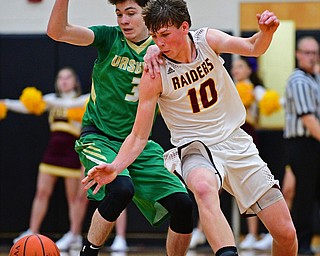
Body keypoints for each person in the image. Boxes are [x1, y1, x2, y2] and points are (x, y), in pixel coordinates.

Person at [82, 0, 298, 255]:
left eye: (164, 35)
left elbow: (253, 46)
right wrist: (116, 167)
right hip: (194, 148)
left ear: (184, 27)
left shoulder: (208, 40)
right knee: (204, 188)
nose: (159, 43)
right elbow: (139, 135)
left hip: (235, 141)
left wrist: (266, 33)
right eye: (154, 37)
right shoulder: (154, 72)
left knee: (285, 234)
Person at [47, 1, 194, 256]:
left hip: (137, 143)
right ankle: (88, 252)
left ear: (146, 15)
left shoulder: (163, 46)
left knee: (183, 204)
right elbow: (57, 32)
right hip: (99, 137)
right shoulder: (108, 37)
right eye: (119, 14)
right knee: (121, 189)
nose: (123, 20)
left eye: (130, 13)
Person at [4, 67, 89, 251]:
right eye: (60, 78)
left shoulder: (83, 100)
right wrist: (6, 103)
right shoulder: (52, 100)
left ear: (75, 81)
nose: (64, 81)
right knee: (42, 193)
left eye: (68, 77)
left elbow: (68, 106)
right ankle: (32, 230)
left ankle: (74, 234)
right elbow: (27, 106)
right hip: (52, 152)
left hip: (72, 152)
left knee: (74, 198)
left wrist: (53, 102)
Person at [283, 36, 320, 255]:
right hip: (302, 144)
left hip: (313, 143)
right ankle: (302, 245)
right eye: (307, 52)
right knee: (302, 195)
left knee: (312, 193)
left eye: (315, 52)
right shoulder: (298, 80)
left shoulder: (314, 79)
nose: (311, 57)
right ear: (297, 54)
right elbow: (308, 119)